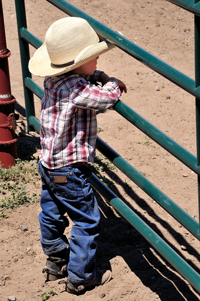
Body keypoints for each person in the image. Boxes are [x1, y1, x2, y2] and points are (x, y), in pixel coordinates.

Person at [28, 16, 127, 294]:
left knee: (51, 211)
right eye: (93, 57)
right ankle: (80, 276)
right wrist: (113, 83)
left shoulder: (55, 80)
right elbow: (105, 99)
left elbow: (84, 78)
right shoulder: (77, 90)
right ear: (77, 63)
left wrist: (97, 75)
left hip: (48, 165)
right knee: (86, 220)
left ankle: (56, 260)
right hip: (69, 170)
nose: (98, 61)